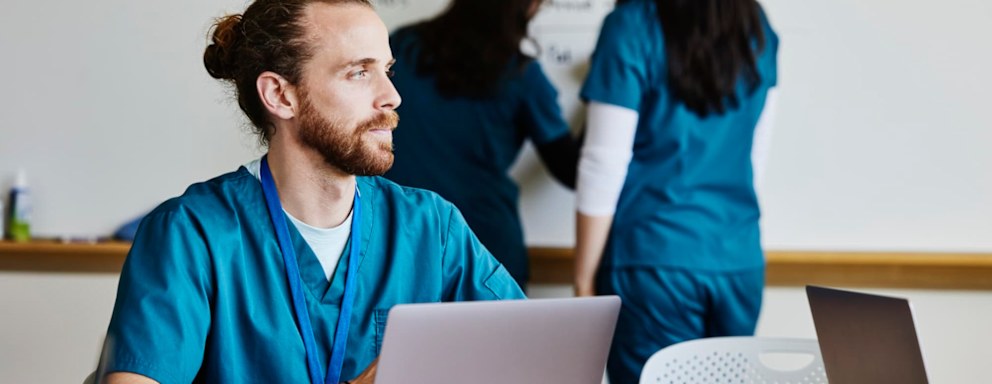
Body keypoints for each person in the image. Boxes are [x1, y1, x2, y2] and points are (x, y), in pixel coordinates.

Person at [95, 1, 525, 383]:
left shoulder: (431, 228)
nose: (391, 96)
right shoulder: (191, 235)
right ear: (280, 96)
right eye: (359, 72)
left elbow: (534, 351)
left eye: (387, 71)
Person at [572, 0, 779, 382]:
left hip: (655, 262)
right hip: (737, 261)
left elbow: (604, 162)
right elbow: (755, 156)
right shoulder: (754, 23)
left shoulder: (632, 24)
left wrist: (584, 277)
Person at [383, 0, 580, 289]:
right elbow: (571, 170)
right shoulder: (520, 74)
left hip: (401, 239)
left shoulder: (400, 47)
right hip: (486, 250)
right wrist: (601, 99)